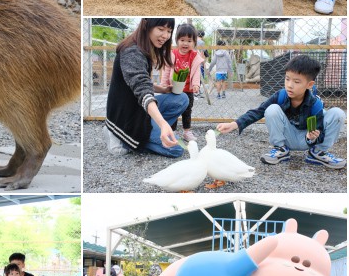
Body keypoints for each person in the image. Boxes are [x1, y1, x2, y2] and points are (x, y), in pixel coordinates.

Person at [217, 55, 346, 169]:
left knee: (338, 113)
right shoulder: (281, 95)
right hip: (287, 138)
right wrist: (235, 124)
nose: (289, 85)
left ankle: (318, 153)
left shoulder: (315, 103)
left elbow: (321, 133)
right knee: (271, 109)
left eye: (296, 81)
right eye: (287, 79)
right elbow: (259, 111)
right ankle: (280, 149)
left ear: (309, 84)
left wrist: (312, 137)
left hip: (308, 140)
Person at [105, 19, 189, 158]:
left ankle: (155, 132)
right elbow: (142, 89)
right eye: (161, 29)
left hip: (139, 109)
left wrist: (161, 90)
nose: (165, 36)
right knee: (177, 150)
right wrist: (162, 124)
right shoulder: (132, 51)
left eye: (169, 31)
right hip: (127, 116)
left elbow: (139, 83)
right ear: (146, 26)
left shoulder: (144, 47)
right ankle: (122, 138)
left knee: (182, 99)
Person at [160, 23, 204, 142]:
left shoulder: (194, 55)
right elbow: (167, 69)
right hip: (173, 88)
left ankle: (187, 131)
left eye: (189, 40)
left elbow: (196, 72)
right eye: (182, 40)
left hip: (188, 89)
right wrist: (164, 84)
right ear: (177, 40)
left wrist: (196, 84)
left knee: (187, 111)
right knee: (173, 109)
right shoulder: (172, 54)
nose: (185, 43)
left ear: (194, 42)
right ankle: (172, 131)